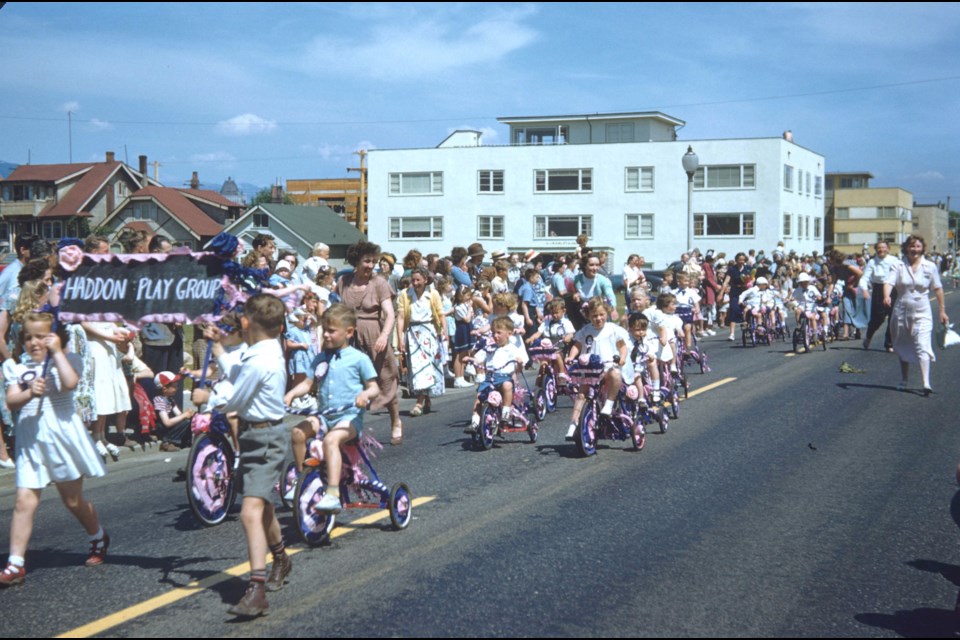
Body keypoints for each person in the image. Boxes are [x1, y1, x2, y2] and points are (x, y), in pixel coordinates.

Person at [190, 294, 291, 617]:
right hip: (253, 434)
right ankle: (282, 558)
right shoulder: (263, 349)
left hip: (265, 437)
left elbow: (234, 400)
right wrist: (219, 348)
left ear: (246, 323)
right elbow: (240, 370)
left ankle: (257, 588)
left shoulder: (260, 359)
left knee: (249, 512)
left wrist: (207, 397)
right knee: (262, 508)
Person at [0, 312, 108, 587]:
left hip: (62, 435)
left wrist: (57, 352)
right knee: (24, 501)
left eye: (41, 336)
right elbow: (12, 401)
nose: (34, 342)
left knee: (72, 500)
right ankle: (15, 564)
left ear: (55, 337)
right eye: (28, 337)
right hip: (31, 439)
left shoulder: (68, 360)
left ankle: (97, 536)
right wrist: (28, 393)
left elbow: (70, 383)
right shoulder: (15, 366)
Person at [283, 304, 379, 508]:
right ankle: (302, 482)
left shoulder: (359, 359)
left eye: (331, 331)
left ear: (349, 332)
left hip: (349, 418)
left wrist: (364, 394)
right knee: (298, 433)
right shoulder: (320, 358)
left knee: (330, 441)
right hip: (325, 416)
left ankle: (333, 494)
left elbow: (374, 388)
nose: (325, 335)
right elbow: (307, 384)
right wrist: (291, 393)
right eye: (324, 330)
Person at [336, 241, 403, 445]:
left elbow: (389, 314)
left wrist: (384, 336)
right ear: (356, 261)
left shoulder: (379, 283)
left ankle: (395, 420)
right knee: (352, 383)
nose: (370, 265)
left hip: (374, 335)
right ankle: (352, 429)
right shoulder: (343, 281)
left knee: (384, 378)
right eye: (366, 261)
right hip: (349, 335)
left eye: (373, 261)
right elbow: (337, 309)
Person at [883, 235, 949, 395]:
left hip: (922, 310)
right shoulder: (898, 265)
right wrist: (886, 295)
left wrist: (942, 310)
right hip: (901, 309)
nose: (915, 250)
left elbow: (938, 288)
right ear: (906, 248)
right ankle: (904, 379)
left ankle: (926, 383)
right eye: (912, 246)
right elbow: (889, 282)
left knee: (922, 344)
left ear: (923, 248)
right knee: (902, 343)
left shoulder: (930, 266)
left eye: (918, 246)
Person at [565, 297, 630, 440]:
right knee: (582, 394)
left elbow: (622, 346)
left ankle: (609, 403)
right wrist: (571, 357)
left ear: (607, 313)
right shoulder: (586, 330)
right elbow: (577, 345)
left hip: (607, 366)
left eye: (601, 315)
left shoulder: (612, 329)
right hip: (590, 369)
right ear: (588, 316)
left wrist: (622, 357)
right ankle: (574, 423)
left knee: (615, 375)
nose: (598, 318)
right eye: (594, 315)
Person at [396, 267, 446, 417]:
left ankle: (419, 402)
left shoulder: (433, 294)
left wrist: (444, 332)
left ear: (425, 280)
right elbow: (400, 317)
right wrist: (400, 337)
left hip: (429, 331)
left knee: (427, 366)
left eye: (418, 280)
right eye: (413, 280)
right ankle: (426, 398)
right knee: (417, 367)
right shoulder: (405, 295)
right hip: (413, 333)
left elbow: (440, 313)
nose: (415, 283)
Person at [466, 315, 525, 433]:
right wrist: (471, 359)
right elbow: (479, 358)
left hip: (504, 377)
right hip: (490, 378)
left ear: (509, 334)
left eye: (499, 333)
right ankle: (475, 422)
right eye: (493, 333)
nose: (495, 336)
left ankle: (505, 413)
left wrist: (519, 363)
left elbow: (519, 366)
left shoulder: (512, 349)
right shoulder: (489, 348)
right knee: (479, 398)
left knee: (507, 386)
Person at [860, 241, 899, 351]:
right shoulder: (872, 262)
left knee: (893, 318)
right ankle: (868, 336)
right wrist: (864, 290)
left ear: (888, 249)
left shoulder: (894, 261)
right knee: (878, 318)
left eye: (883, 248)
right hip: (878, 289)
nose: (881, 250)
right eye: (879, 248)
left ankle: (889, 344)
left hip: (893, 290)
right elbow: (865, 278)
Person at [153, 371, 194, 452]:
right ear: (165, 389)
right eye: (174, 387)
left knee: (187, 421)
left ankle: (185, 441)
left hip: (168, 426)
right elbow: (167, 423)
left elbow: (178, 414)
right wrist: (183, 416)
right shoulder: (159, 401)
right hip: (161, 428)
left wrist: (188, 415)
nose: (177, 389)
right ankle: (168, 442)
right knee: (185, 421)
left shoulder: (170, 399)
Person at [720, 252, 749, 341]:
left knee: (746, 310)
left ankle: (747, 327)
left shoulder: (748, 269)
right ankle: (732, 334)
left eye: (743, 260)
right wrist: (721, 293)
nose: (741, 261)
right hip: (735, 291)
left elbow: (752, 278)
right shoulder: (732, 270)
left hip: (745, 291)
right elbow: (726, 281)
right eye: (740, 260)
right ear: (736, 260)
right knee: (733, 309)